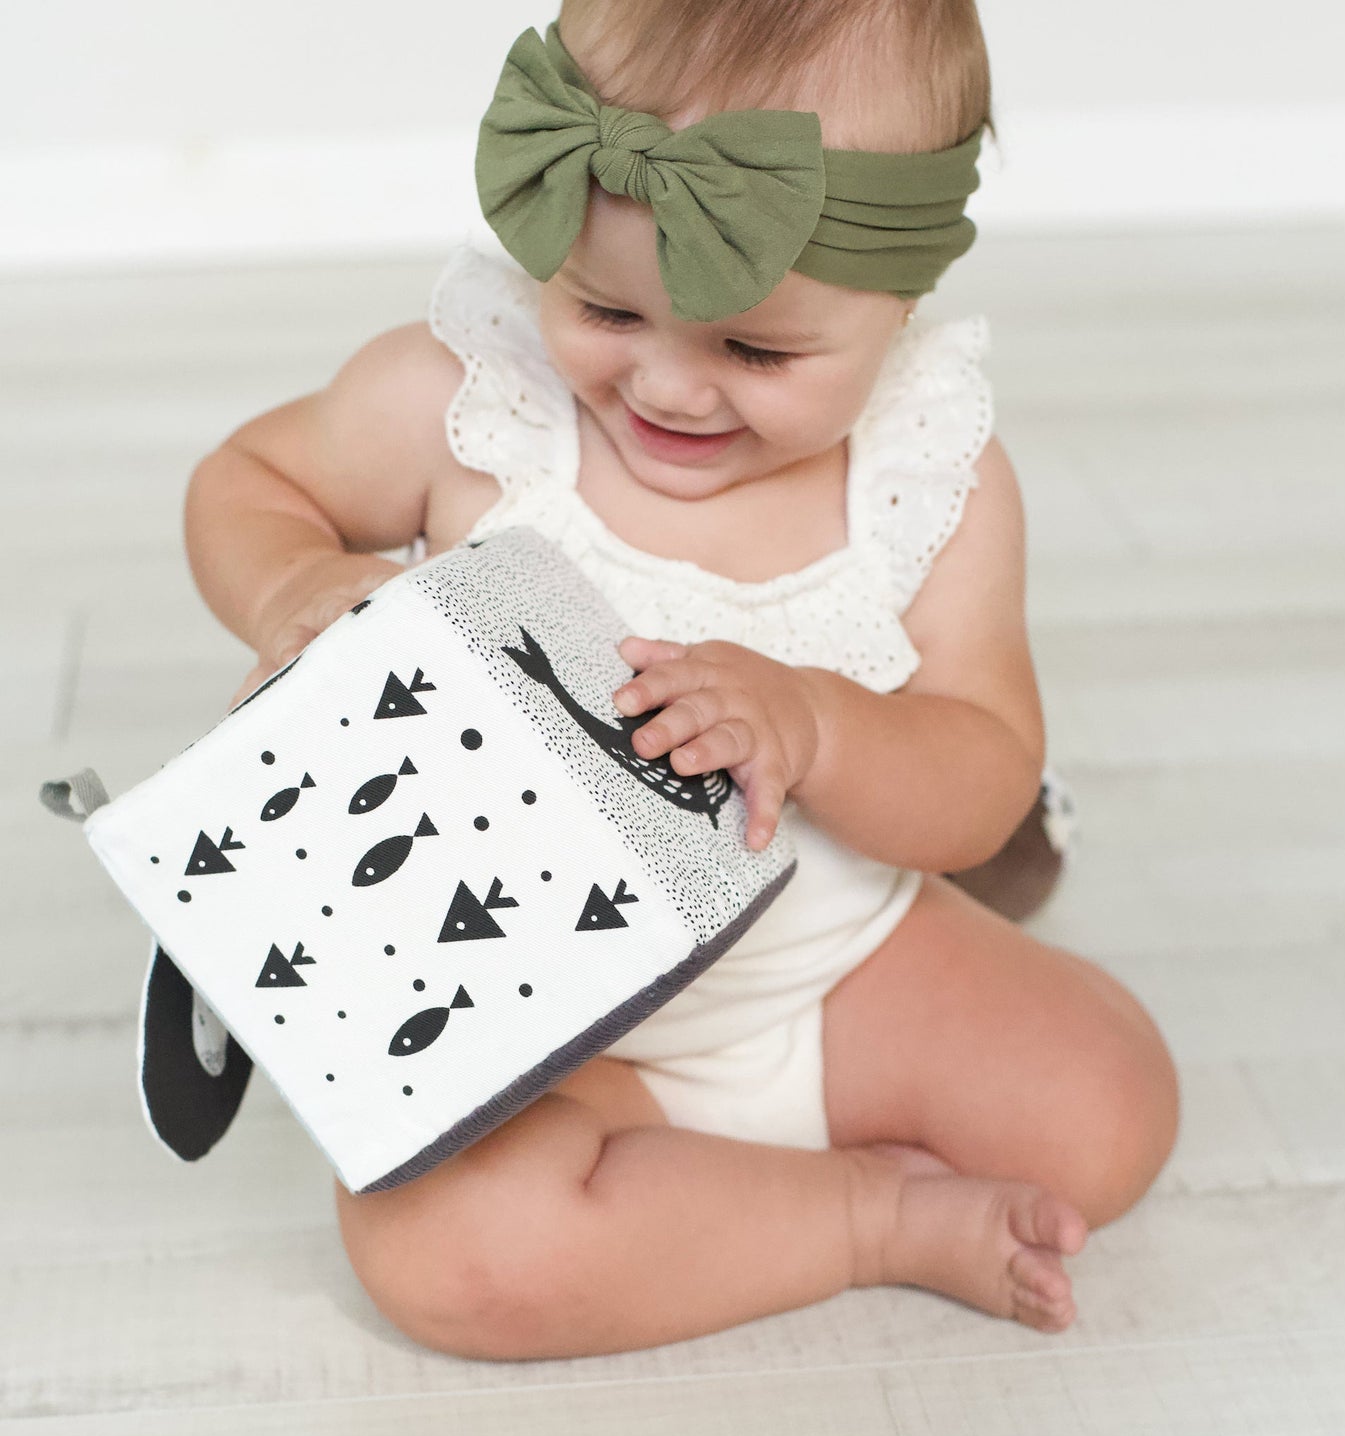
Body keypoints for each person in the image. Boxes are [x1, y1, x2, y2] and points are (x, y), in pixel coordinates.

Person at [183, 0, 1179, 1359]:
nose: (665, 385)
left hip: (836, 972)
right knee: (443, 1252)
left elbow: (981, 770)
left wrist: (821, 724)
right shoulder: (477, 407)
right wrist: (293, 584)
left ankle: (757, 1176)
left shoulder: (922, 481)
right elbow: (252, 481)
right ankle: (868, 1214)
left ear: (901, 301)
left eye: (754, 349)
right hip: (548, 1030)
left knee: (1108, 1109)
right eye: (603, 305)